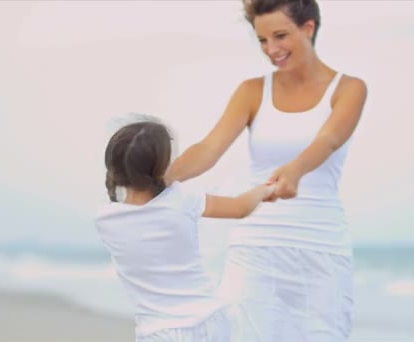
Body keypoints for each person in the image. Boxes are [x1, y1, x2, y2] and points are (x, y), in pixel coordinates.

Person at [165, 0, 367, 340]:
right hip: (255, 247)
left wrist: (296, 170)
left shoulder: (349, 88)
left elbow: (329, 139)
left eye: (280, 36)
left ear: (308, 28)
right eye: (262, 40)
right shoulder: (252, 91)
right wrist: (157, 178)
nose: (271, 49)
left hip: (321, 247)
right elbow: (209, 149)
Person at [94, 120, 275, 342]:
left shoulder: (105, 220)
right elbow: (240, 208)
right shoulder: (181, 200)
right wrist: (266, 189)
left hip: (160, 332)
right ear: (161, 167)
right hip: (210, 322)